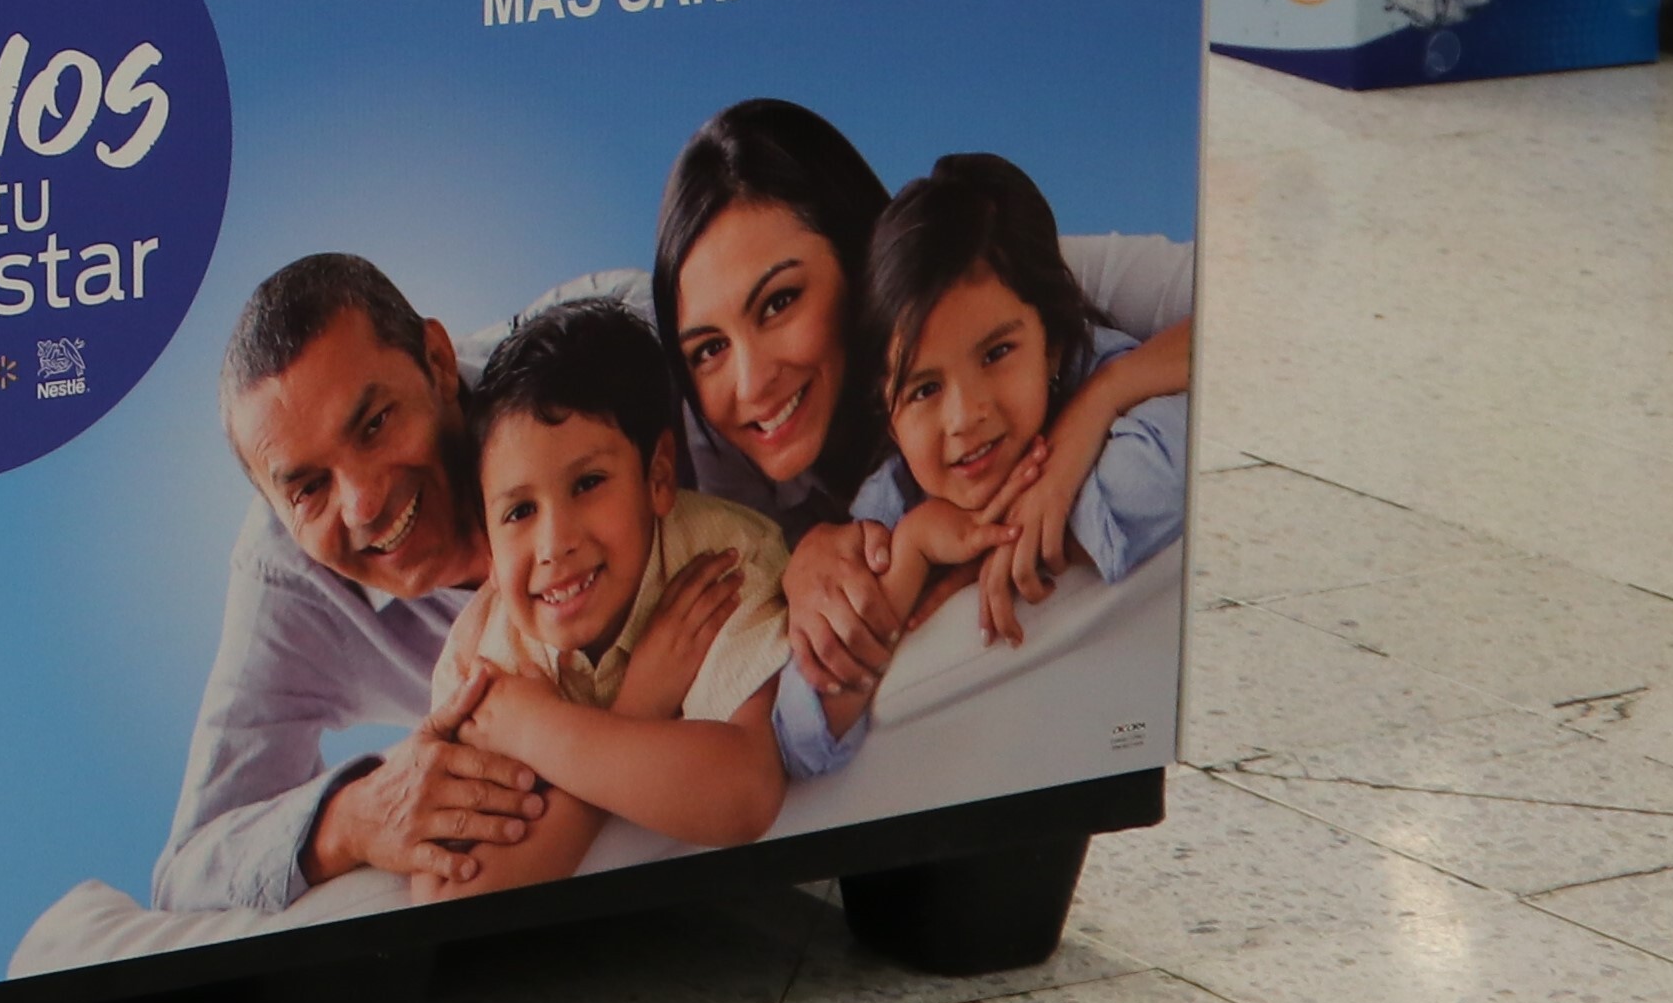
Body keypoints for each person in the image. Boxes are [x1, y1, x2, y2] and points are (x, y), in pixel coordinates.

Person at [650, 99, 1191, 728]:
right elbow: (793, 709)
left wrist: (1098, 405)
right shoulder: (712, 445)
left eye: (779, 302)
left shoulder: (988, 274)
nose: (751, 384)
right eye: (711, 348)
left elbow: (1252, 302)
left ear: (863, 262)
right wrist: (802, 565)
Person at [156, 254, 668, 913]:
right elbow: (190, 870)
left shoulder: (619, 349)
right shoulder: (286, 582)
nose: (363, 502)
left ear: (436, 360)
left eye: (373, 425)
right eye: (310, 489)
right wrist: (352, 820)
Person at [778, 153, 1198, 777]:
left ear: (1053, 341)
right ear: (887, 416)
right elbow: (803, 732)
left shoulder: (1125, 396)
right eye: (922, 390)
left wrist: (1089, 418)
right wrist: (917, 549)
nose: (964, 416)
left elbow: (1157, 477)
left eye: (997, 352)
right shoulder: (895, 498)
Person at [394, 297, 791, 891]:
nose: (555, 544)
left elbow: (746, 794)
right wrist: (638, 708)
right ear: (488, 540)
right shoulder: (480, 660)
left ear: (658, 477)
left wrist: (535, 731)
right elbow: (451, 891)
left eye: (588, 483)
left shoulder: (720, 565)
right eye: (520, 511)